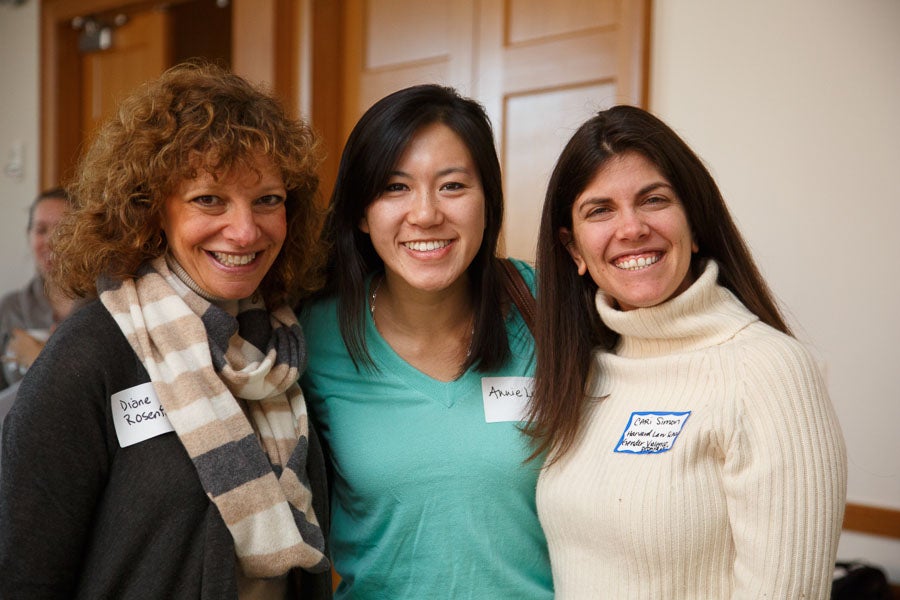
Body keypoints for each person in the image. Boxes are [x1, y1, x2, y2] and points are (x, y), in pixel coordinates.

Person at [0, 62, 332, 599]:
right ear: (152, 210)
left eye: (267, 199)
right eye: (209, 199)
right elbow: (25, 576)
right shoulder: (93, 353)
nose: (245, 230)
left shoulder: (285, 345)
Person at [527, 105, 847, 598]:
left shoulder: (769, 371)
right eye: (600, 209)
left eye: (653, 200)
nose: (631, 228)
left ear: (695, 224)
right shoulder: (584, 370)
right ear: (574, 251)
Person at [299, 84, 553, 599]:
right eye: (395, 188)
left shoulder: (549, 308)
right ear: (360, 215)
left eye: (453, 186)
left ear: (488, 202)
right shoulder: (313, 334)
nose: (426, 214)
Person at [0, 187, 75, 390]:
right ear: (29, 236)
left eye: (63, 230)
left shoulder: (103, 306)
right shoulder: (10, 310)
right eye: (41, 230)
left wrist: (39, 359)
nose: (51, 241)